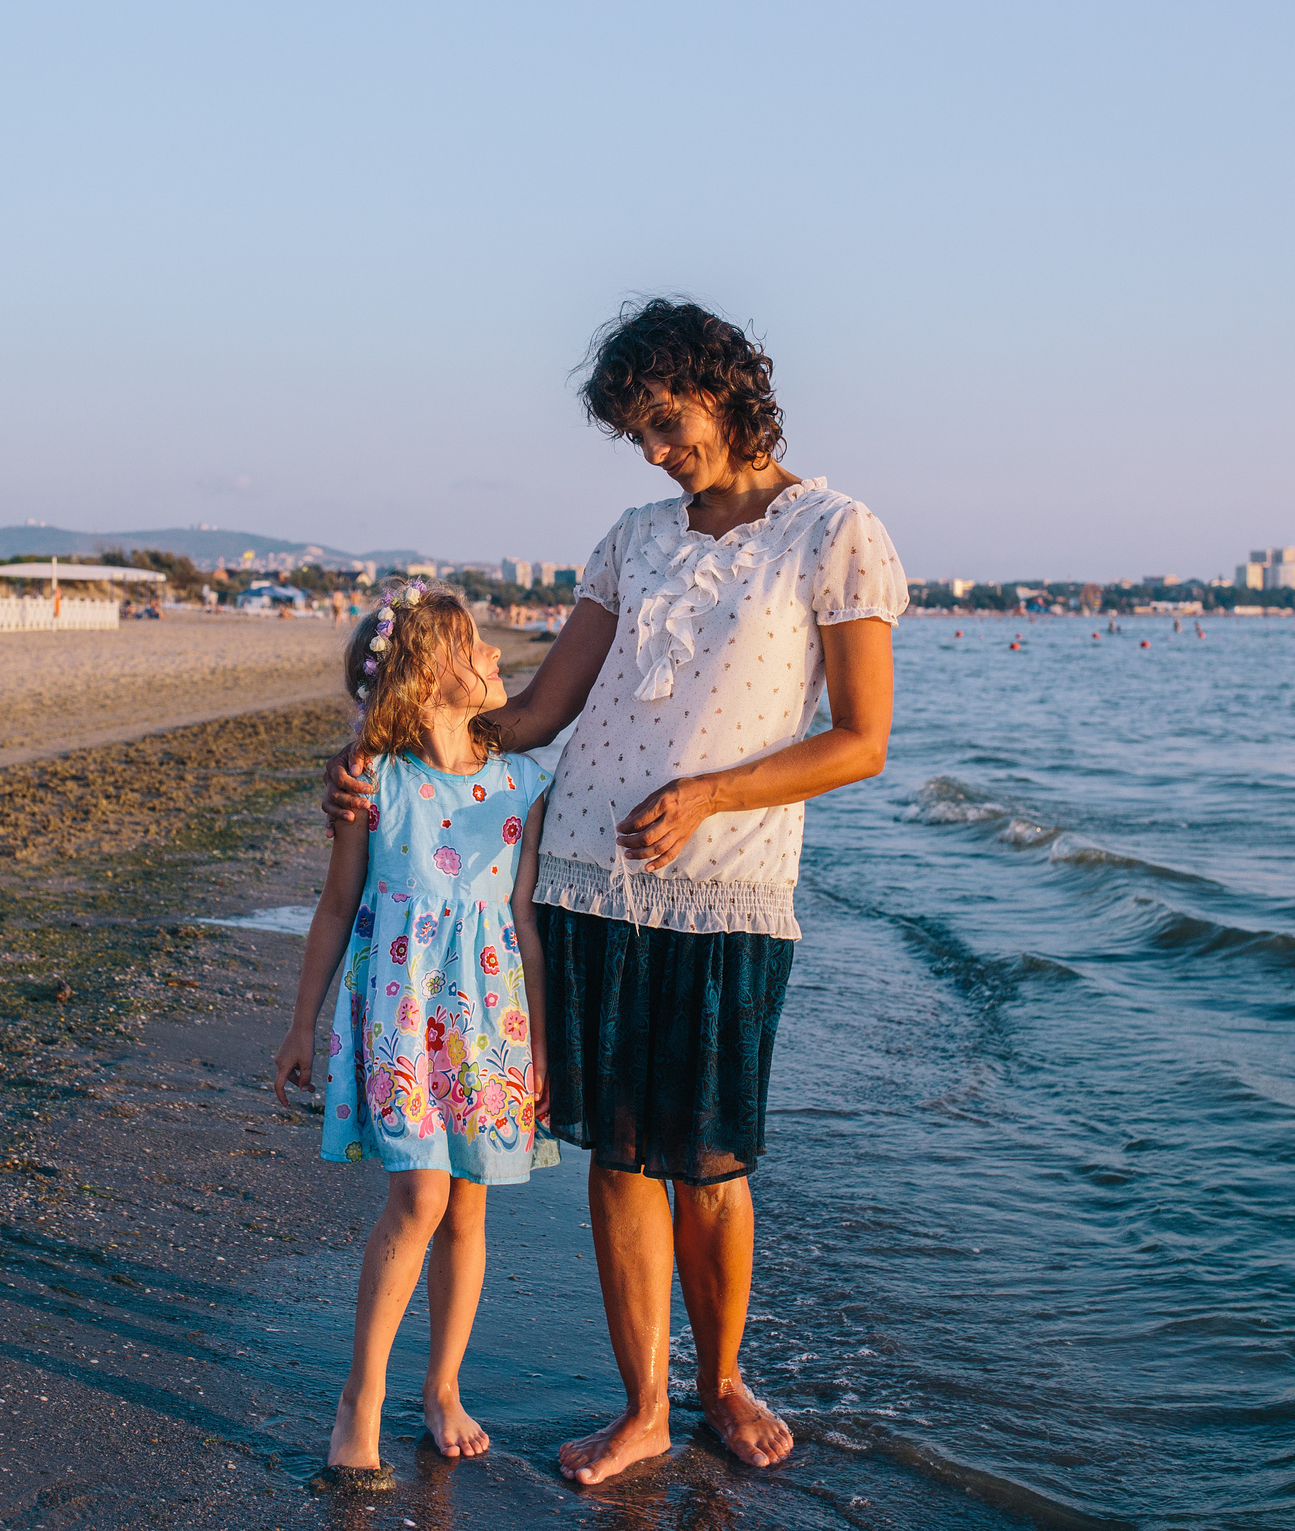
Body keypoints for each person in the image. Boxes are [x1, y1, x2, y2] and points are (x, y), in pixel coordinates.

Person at [325, 299, 907, 1485]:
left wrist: (710, 795)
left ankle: (721, 1384)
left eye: (663, 421)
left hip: (726, 890)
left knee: (714, 1159)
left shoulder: (836, 532)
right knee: (624, 1156)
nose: (652, 450)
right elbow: (539, 712)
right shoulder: (632, 539)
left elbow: (860, 740)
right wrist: (385, 754)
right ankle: (643, 1407)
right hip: (585, 878)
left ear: (723, 389)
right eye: (635, 432)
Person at [274, 579, 557, 1491]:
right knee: (419, 1197)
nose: (495, 654)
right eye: (474, 644)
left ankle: (442, 1387)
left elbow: (525, 919)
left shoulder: (523, 782)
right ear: (426, 673)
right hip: (400, 1014)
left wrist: (541, 1041)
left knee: (468, 1204)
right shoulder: (376, 784)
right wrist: (302, 1022)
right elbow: (335, 905)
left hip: (488, 1019)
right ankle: (360, 1400)